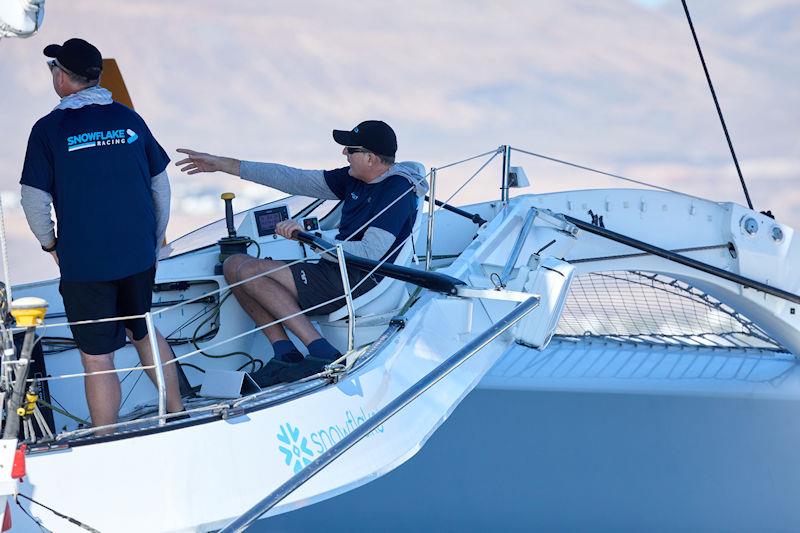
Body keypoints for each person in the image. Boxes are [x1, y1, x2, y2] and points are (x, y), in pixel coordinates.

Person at [176, 120, 427, 386]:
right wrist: (223, 164)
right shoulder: (353, 179)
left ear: (370, 158)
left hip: (358, 277)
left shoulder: (395, 190)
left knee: (248, 270)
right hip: (335, 267)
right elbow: (292, 178)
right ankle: (286, 354)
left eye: (350, 150)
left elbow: (369, 254)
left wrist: (309, 238)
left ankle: (323, 353)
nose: (344, 154)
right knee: (233, 264)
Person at [19, 38, 184, 432]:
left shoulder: (48, 129)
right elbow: (161, 186)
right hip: (137, 256)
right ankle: (177, 411)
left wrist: (51, 244)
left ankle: (105, 437)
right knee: (143, 329)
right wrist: (151, 240)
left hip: (86, 263)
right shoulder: (130, 119)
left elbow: (33, 200)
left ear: (62, 76)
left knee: (96, 357)